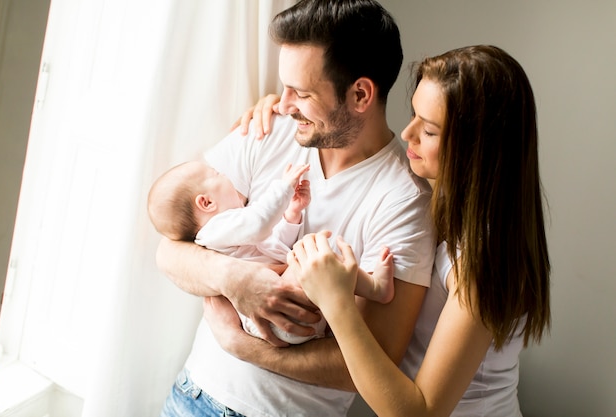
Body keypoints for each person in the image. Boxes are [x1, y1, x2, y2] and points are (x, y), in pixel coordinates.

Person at [155, 1, 436, 416]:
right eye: (285, 88)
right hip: (191, 397)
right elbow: (170, 250)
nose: (283, 104)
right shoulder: (268, 131)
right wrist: (236, 279)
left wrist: (243, 346)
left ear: (360, 94)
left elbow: (373, 360)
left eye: (301, 93)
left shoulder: (405, 201)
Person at [263, 45, 551, 416]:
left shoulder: (483, 261)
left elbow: (421, 412)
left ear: (476, 148)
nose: (407, 132)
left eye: (428, 130)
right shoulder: (444, 212)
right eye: (414, 114)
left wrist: (336, 304)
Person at [147, 160, 395, 344]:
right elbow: (259, 223)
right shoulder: (214, 230)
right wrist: (283, 188)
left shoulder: (231, 234)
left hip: (287, 312)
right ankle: (374, 289)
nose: (225, 174)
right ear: (206, 202)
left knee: (312, 258)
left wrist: (291, 214)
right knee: (313, 255)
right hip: (274, 320)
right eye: (216, 174)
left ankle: (337, 312)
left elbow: (275, 247)